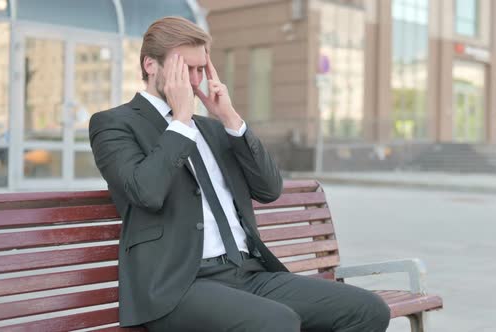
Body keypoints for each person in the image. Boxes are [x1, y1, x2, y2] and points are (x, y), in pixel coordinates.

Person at [89, 16, 390, 332]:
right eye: (184, 69)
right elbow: (145, 192)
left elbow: (269, 189)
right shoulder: (114, 124)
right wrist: (179, 120)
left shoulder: (213, 129)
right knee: (277, 323)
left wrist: (230, 119)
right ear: (151, 65)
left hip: (247, 273)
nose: (194, 81)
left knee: (368, 310)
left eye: (200, 70)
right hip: (176, 287)